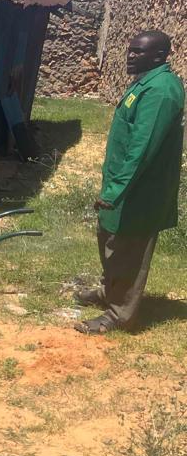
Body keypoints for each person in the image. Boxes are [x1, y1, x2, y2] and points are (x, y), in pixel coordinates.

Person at [75, 30, 184, 334]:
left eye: (139, 52)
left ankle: (119, 314)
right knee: (110, 238)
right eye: (131, 50)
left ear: (161, 56)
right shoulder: (145, 83)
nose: (131, 55)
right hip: (123, 185)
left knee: (129, 248)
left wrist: (115, 190)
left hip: (140, 191)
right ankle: (110, 291)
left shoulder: (162, 91)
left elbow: (142, 146)